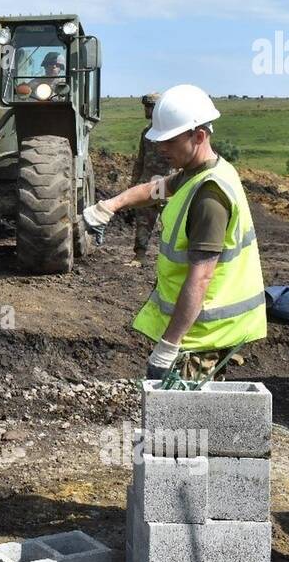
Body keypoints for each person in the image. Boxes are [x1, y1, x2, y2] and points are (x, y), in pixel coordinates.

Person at [80, 84, 266, 381]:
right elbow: (155, 189)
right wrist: (110, 205)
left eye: (169, 141)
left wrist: (168, 345)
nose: (161, 148)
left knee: (185, 419)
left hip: (203, 335)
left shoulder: (209, 196)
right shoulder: (195, 173)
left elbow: (201, 277)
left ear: (199, 136)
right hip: (197, 330)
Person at [129, 92, 171, 266]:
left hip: (168, 184)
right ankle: (140, 256)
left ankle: (170, 259)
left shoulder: (171, 132)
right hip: (147, 183)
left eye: (151, 106)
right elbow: (141, 159)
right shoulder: (146, 132)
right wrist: (134, 183)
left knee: (170, 223)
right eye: (146, 106)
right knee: (143, 221)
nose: (147, 110)